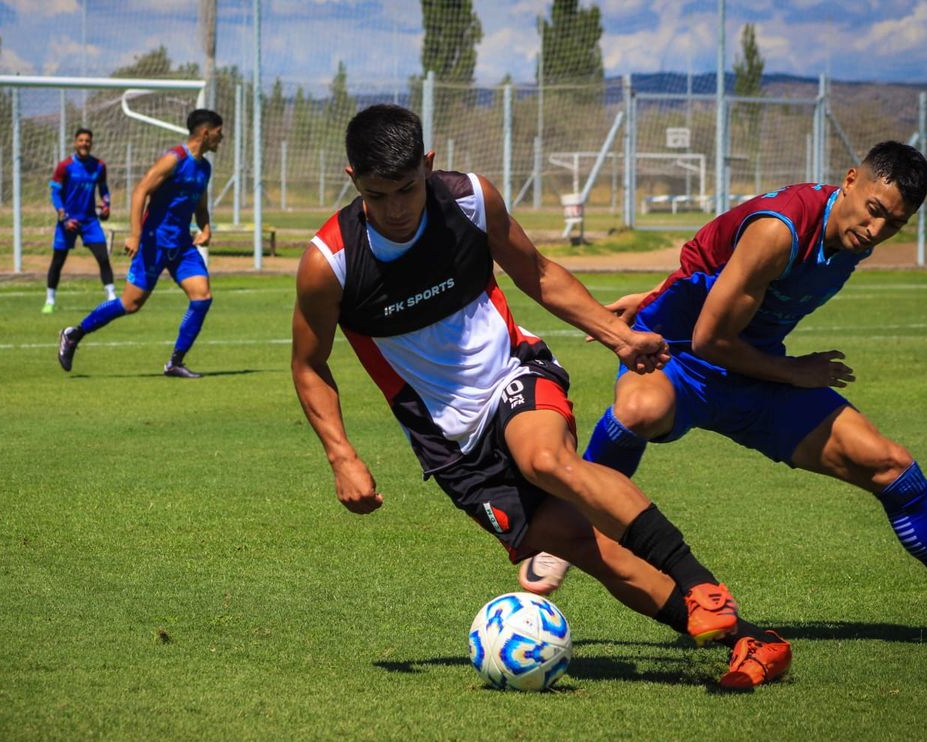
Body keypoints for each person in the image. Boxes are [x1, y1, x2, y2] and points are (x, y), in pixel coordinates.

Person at [291, 104, 792, 689]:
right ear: (354, 180)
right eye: (378, 196)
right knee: (584, 546)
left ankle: (699, 580)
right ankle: (753, 641)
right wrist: (341, 454)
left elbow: (540, 272)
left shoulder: (471, 200)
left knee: (546, 459)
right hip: (452, 446)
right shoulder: (330, 262)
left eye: (407, 189)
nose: (396, 209)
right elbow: (309, 364)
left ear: (427, 164)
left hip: (514, 371)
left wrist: (619, 338)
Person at [521, 141, 927, 653]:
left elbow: (721, 260)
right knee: (640, 409)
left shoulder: (855, 237)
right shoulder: (780, 228)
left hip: (753, 369)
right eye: (875, 211)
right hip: (678, 357)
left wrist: (666, 288)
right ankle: (571, 519)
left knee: (889, 465)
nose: (876, 230)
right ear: (850, 180)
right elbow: (708, 340)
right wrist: (794, 371)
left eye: (893, 224)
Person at [56, 109, 223, 378]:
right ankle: (74, 333)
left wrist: (205, 227)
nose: (221, 137)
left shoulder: (204, 167)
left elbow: (200, 206)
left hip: (180, 245)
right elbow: (140, 191)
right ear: (205, 133)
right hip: (153, 243)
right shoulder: (174, 159)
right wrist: (135, 234)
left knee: (202, 296)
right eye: (218, 132)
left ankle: (175, 363)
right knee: (130, 304)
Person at [43, 128, 116, 313]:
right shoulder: (65, 166)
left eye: (87, 141)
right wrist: (64, 216)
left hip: (90, 221)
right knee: (58, 261)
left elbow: (104, 190)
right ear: (75, 143)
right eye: (81, 140)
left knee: (103, 257)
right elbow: (55, 194)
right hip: (67, 222)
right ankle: (50, 300)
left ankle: (112, 296)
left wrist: (106, 204)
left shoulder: (99, 166)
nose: (84, 143)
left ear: (91, 143)